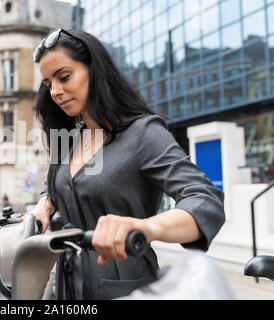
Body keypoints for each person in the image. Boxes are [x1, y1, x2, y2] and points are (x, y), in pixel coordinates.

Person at [28, 28, 225, 300]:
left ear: (94, 71)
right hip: (69, 284)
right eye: (49, 84)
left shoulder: (143, 133)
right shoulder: (70, 140)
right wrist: (44, 205)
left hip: (126, 286)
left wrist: (148, 227)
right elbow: (58, 186)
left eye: (64, 77)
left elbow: (205, 199)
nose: (56, 92)